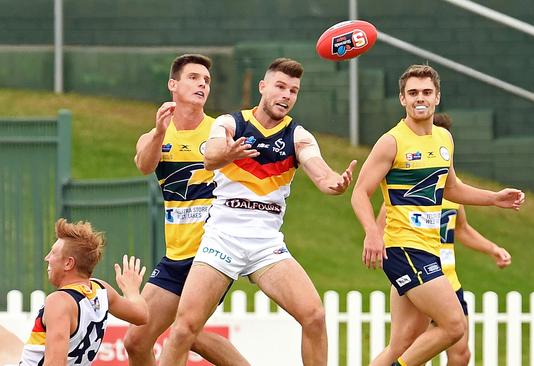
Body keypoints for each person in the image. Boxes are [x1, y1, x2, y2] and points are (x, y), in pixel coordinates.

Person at [158, 57, 356, 366]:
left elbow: (319, 171)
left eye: (293, 90)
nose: (286, 95)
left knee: (314, 316)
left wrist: (335, 183)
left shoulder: (298, 136)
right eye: (280, 87)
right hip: (222, 238)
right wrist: (228, 152)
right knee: (184, 329)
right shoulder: (231, 123)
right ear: (263, 87)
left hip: (265, 244)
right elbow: (210, 157)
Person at [351, 64, 524, 366]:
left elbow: (451, 189)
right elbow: (359, 193)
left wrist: (493, 198)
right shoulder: (392, 141)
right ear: (402, 99)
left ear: (437, 97)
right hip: (404, 248)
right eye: (413, 92)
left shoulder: (444, 139)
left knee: (403, 342)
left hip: (428, 250)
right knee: (454, 325)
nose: (421, 98)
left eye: (427, 92)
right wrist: (372, 233)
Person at [129, 54, 248, 366]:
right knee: (135, 341)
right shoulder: (155, 135)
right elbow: (144, 165)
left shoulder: (220, 131)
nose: (202, 84)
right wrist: (158, 132)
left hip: (211, 254)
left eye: (206, 80)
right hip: (176, 255)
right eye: (194, 78)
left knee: (185, 334)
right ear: (173, 84)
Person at [375, 113, 512, 366]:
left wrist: (493, 249)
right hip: (415, 268)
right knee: (403, 344)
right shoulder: (406, 190)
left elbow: (462, 230)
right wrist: (392, 261)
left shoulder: (451, 192)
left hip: (447, 278)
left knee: (461, 354)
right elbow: (381, 228)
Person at [19, 218, 148, 365]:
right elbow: (142, 315)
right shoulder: (101, 290)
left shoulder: (59, 301)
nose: (47, 257)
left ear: (68, 263)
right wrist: (132, 291)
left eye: (53, 252)